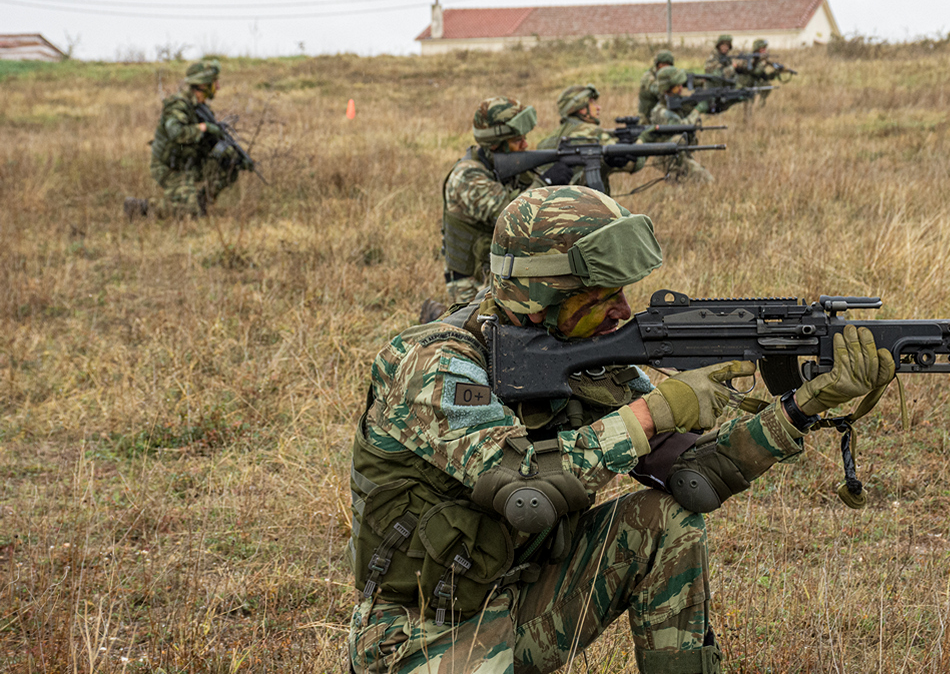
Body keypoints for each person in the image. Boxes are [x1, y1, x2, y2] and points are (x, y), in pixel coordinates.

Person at [346, 184, 895, 673]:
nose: (623, 310)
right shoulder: (432, 364)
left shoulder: (587, 359)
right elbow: (528, 494)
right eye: (603, 296)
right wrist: (652, 411)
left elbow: (694, 479)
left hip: (523, 597)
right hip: (423, 632)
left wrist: (800, 406)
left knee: (670, 519)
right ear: (540, 298)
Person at [438, 96, 542, 308]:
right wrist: (546, 181)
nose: (526, 145)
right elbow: (512, 215)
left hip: (501, 271)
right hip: (471, 284)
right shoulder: (466, 177)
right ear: (495, 145)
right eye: (517, 141)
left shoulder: (506, 168)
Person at [125, 59, 251, 219]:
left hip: (190, 163)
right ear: (203, 84)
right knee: (187, 213)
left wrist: (233, 156)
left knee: (230, 161)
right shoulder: (179, 105)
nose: (218, 87)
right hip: (170, 167)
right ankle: (138, 207)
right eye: (214, 82)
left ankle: (201, 203)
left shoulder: (202, 108)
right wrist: (203, 128)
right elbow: (176, 133)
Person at [537, 84, 645, 194]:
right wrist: (642, 139)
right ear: (582, 109)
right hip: (584, 205)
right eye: (592, 103)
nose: (598, 107)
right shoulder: (593, 132)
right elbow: (633, 164)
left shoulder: (547, 140)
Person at [644, 66, 714, 183]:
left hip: (679, 156)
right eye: (677, 87)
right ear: (667, 89)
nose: (681, 89)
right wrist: (697, 110)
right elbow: (681, 125)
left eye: (681, 85)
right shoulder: (660, 111)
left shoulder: (676, 104)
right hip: (667, 157)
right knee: (707, 181)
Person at [735, 39, 781, 104]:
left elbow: (764, 76)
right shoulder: (749, 58)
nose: (764, 51)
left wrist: (776, 72)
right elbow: (755, 72)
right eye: (762, 49)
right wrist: (763, 63)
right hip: (743, 84)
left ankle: (760, 103)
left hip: (753, 83)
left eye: (765, 49)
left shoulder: (760, 60)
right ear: (757, 49)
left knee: (766, 85)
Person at [638, 50, 675, 123]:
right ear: (658, 65)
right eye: (664, 64)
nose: (667, 68)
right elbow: (656, 89)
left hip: (661, 118)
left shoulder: (666, 77)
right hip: (646, 121)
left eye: (669, 65)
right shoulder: (647, 77)